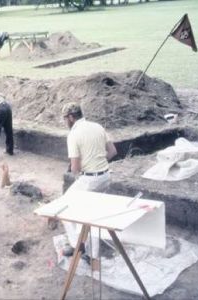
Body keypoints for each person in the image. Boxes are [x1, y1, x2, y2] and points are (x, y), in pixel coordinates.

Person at [61, 102, 117, 266]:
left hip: (90, 180)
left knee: (64, 208)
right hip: (105, 176)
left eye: (65, 119)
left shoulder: (74, 134)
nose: (65, 122)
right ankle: (93, 255)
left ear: (71, 117)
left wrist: (76, 169)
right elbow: (113, 151)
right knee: (91, 214)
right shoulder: (97, 127)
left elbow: (76, 168)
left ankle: (77, 246)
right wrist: (97, 162)